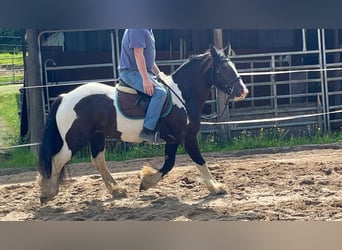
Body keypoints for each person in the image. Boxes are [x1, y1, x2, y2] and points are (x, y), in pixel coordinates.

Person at [118, 29, 167, 143]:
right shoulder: (138, 27)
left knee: (165, 88)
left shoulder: (147, 29)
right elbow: (138, 54)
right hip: (131, 72)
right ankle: (147, 131)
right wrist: (145, 79)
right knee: (160, 93)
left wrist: (159, 74)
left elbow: (147, 58)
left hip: (140, 71)